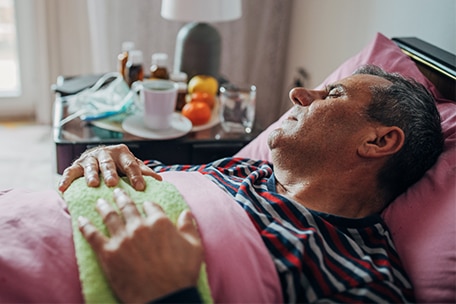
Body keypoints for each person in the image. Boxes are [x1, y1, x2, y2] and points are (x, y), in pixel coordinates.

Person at [60, 65, 444, 303]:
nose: (298, 94)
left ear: (378, 142)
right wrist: (105, 156)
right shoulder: (246, 171)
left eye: (333, 94)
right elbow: (145, 173)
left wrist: (169, 296)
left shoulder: (362, 281)